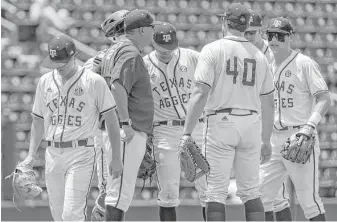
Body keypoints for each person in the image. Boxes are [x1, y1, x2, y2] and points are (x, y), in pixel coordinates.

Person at [181, 3, 275, 221]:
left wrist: (187, 132)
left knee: (215, 191)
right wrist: (266, 139)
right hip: (252, 122)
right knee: (251, 191)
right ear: (247, 26)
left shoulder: (213, 49)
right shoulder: (260, 55)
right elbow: (269, 102)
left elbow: (200, 92)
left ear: (225, 22)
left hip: (220, 121)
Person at [21, 35, 121, 221]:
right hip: (52, 153)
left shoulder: (93, 81)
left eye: (62, 62)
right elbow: (37, 120)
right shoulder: (45, 81)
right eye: (54, 62)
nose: (58, 66)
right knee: (58, 215)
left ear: (74, 56)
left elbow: (111, 120)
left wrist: (115, 157)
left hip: (81, 152)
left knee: (71, 214)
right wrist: (30, 155)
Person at [259, 17, 331, 221]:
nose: (274, 40)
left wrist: (310, 126)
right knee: (258, 194)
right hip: (272, 139)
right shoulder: (266, 66)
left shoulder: (304, 63)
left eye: (279, 36)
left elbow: (324, 99)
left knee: (309, 201)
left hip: (299, 135)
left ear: (290, 37)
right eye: (270, 35)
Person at [143, 22, 207, 221]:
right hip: (164, 131)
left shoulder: (192, 57)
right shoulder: (144, 65)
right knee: (168, 194)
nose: (166, 53)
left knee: (209, 189)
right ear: (153, 43)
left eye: (170, 49)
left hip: (196, 128)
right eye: (162, 49)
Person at [99, 9, 155, 221]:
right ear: (141, 30)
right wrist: (126, 123)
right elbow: (117, 86)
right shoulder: (130, 52)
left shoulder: (115, 49)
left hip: (115, 129)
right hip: (125, 131)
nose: (153, 33)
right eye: (151, 28)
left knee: (116, 191)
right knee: (119, 193)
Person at [244, 10, 292, 221]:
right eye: (245, 32)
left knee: (275, 194)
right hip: (250, 123)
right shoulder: (241, 50)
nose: (248, 37)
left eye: (252, 33)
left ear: (260, 32)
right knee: (261, 190)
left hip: (270, 125)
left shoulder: (272, 54)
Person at [82, 10, 129, 221]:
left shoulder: (133, 56)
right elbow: (83, 85)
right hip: (106, 129)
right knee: (109, 189)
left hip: (122, 130)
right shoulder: (102, 58)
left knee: (118, 190)